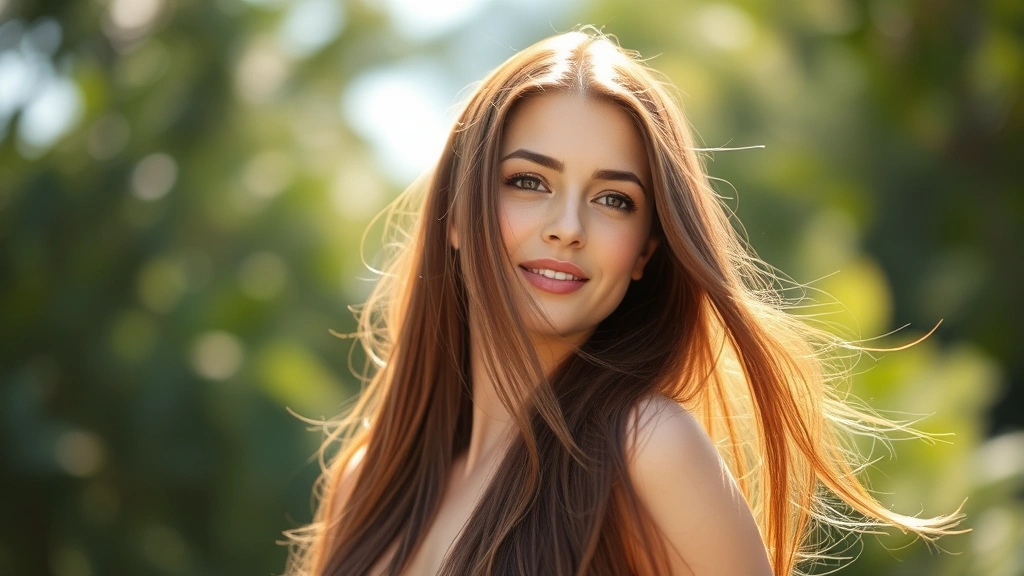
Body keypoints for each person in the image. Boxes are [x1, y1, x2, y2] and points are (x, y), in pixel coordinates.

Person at [282, 28, 963, 575]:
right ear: (456, 215)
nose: (567, 227)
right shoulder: (365, 486)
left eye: (613, 199)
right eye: (529, 182)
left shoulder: (645, 449)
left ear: (644, 251)